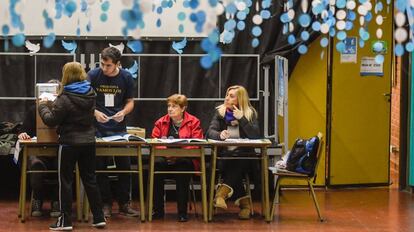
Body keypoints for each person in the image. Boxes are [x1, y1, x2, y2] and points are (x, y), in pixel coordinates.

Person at [38, 62, 105, 230]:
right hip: (89, 142)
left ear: (66, 75)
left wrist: (43, 106)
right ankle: (98, 217)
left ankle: (65, 221)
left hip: (69, 143)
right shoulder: (91, 94)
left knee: (65, 181)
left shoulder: (65, 97)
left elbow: (51, 120)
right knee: (90, 179)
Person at [88, 47, 138, 218]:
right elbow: (85, 100)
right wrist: (94, 112)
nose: (104, 68)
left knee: (124, 165)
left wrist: (123, 112)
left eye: (108, 65)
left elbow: (130, 102)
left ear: (118, 64)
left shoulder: (126, 77)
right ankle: (105, 204)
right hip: (98, 128)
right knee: (99, 167)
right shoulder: (94, 75)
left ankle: (124, 203)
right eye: (102, 64)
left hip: (119, 129)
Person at [206, 85, 260, 220]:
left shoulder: (249, 113)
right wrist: (219, 134)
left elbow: (255, 135)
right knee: (233, 162)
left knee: (238, 159)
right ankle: (245, 205)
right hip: (225, 157)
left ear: (240, 99)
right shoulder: (220, 112)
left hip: (246, 158)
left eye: (231, 96)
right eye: (226, 95)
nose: (226, 98)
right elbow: (209, 132)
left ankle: (221, 194)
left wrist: (242, 119)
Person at [151, 94, 203, 222]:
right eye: (169, 106)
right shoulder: (160, 122)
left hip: (184, 158)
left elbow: (197, 144)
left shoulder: (194, 122)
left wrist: (176, 154)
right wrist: (167, 154)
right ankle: (157, 211)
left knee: (183, 166)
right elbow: (154, 142)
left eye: (174, 106)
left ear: (183, 108)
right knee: (156, 164)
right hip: (164, 158)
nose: (170, 109)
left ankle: (182, 212)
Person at [18, 79, 61, 218]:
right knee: (36, 165)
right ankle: (37, 198)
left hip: (57, 151)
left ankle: (57, 201)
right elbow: (24, 130)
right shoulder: (33, 110)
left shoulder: (62, 109)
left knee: (61, 165)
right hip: (38, 151)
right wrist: (23, 134)